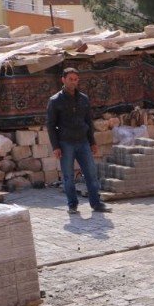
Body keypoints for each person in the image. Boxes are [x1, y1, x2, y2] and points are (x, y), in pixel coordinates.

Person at [46, 67, 110, 214]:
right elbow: (50, 125)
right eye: (70, 79)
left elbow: (88, 121)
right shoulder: (55, 101)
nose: (73, 82)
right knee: (68, 176)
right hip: (65, 143)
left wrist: (92, 142)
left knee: (91, 174)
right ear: (63, 80)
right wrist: (55, 146)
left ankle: (96, 204)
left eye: (76, 79)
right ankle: (72, 205)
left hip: (83, 142)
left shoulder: (83, 99)